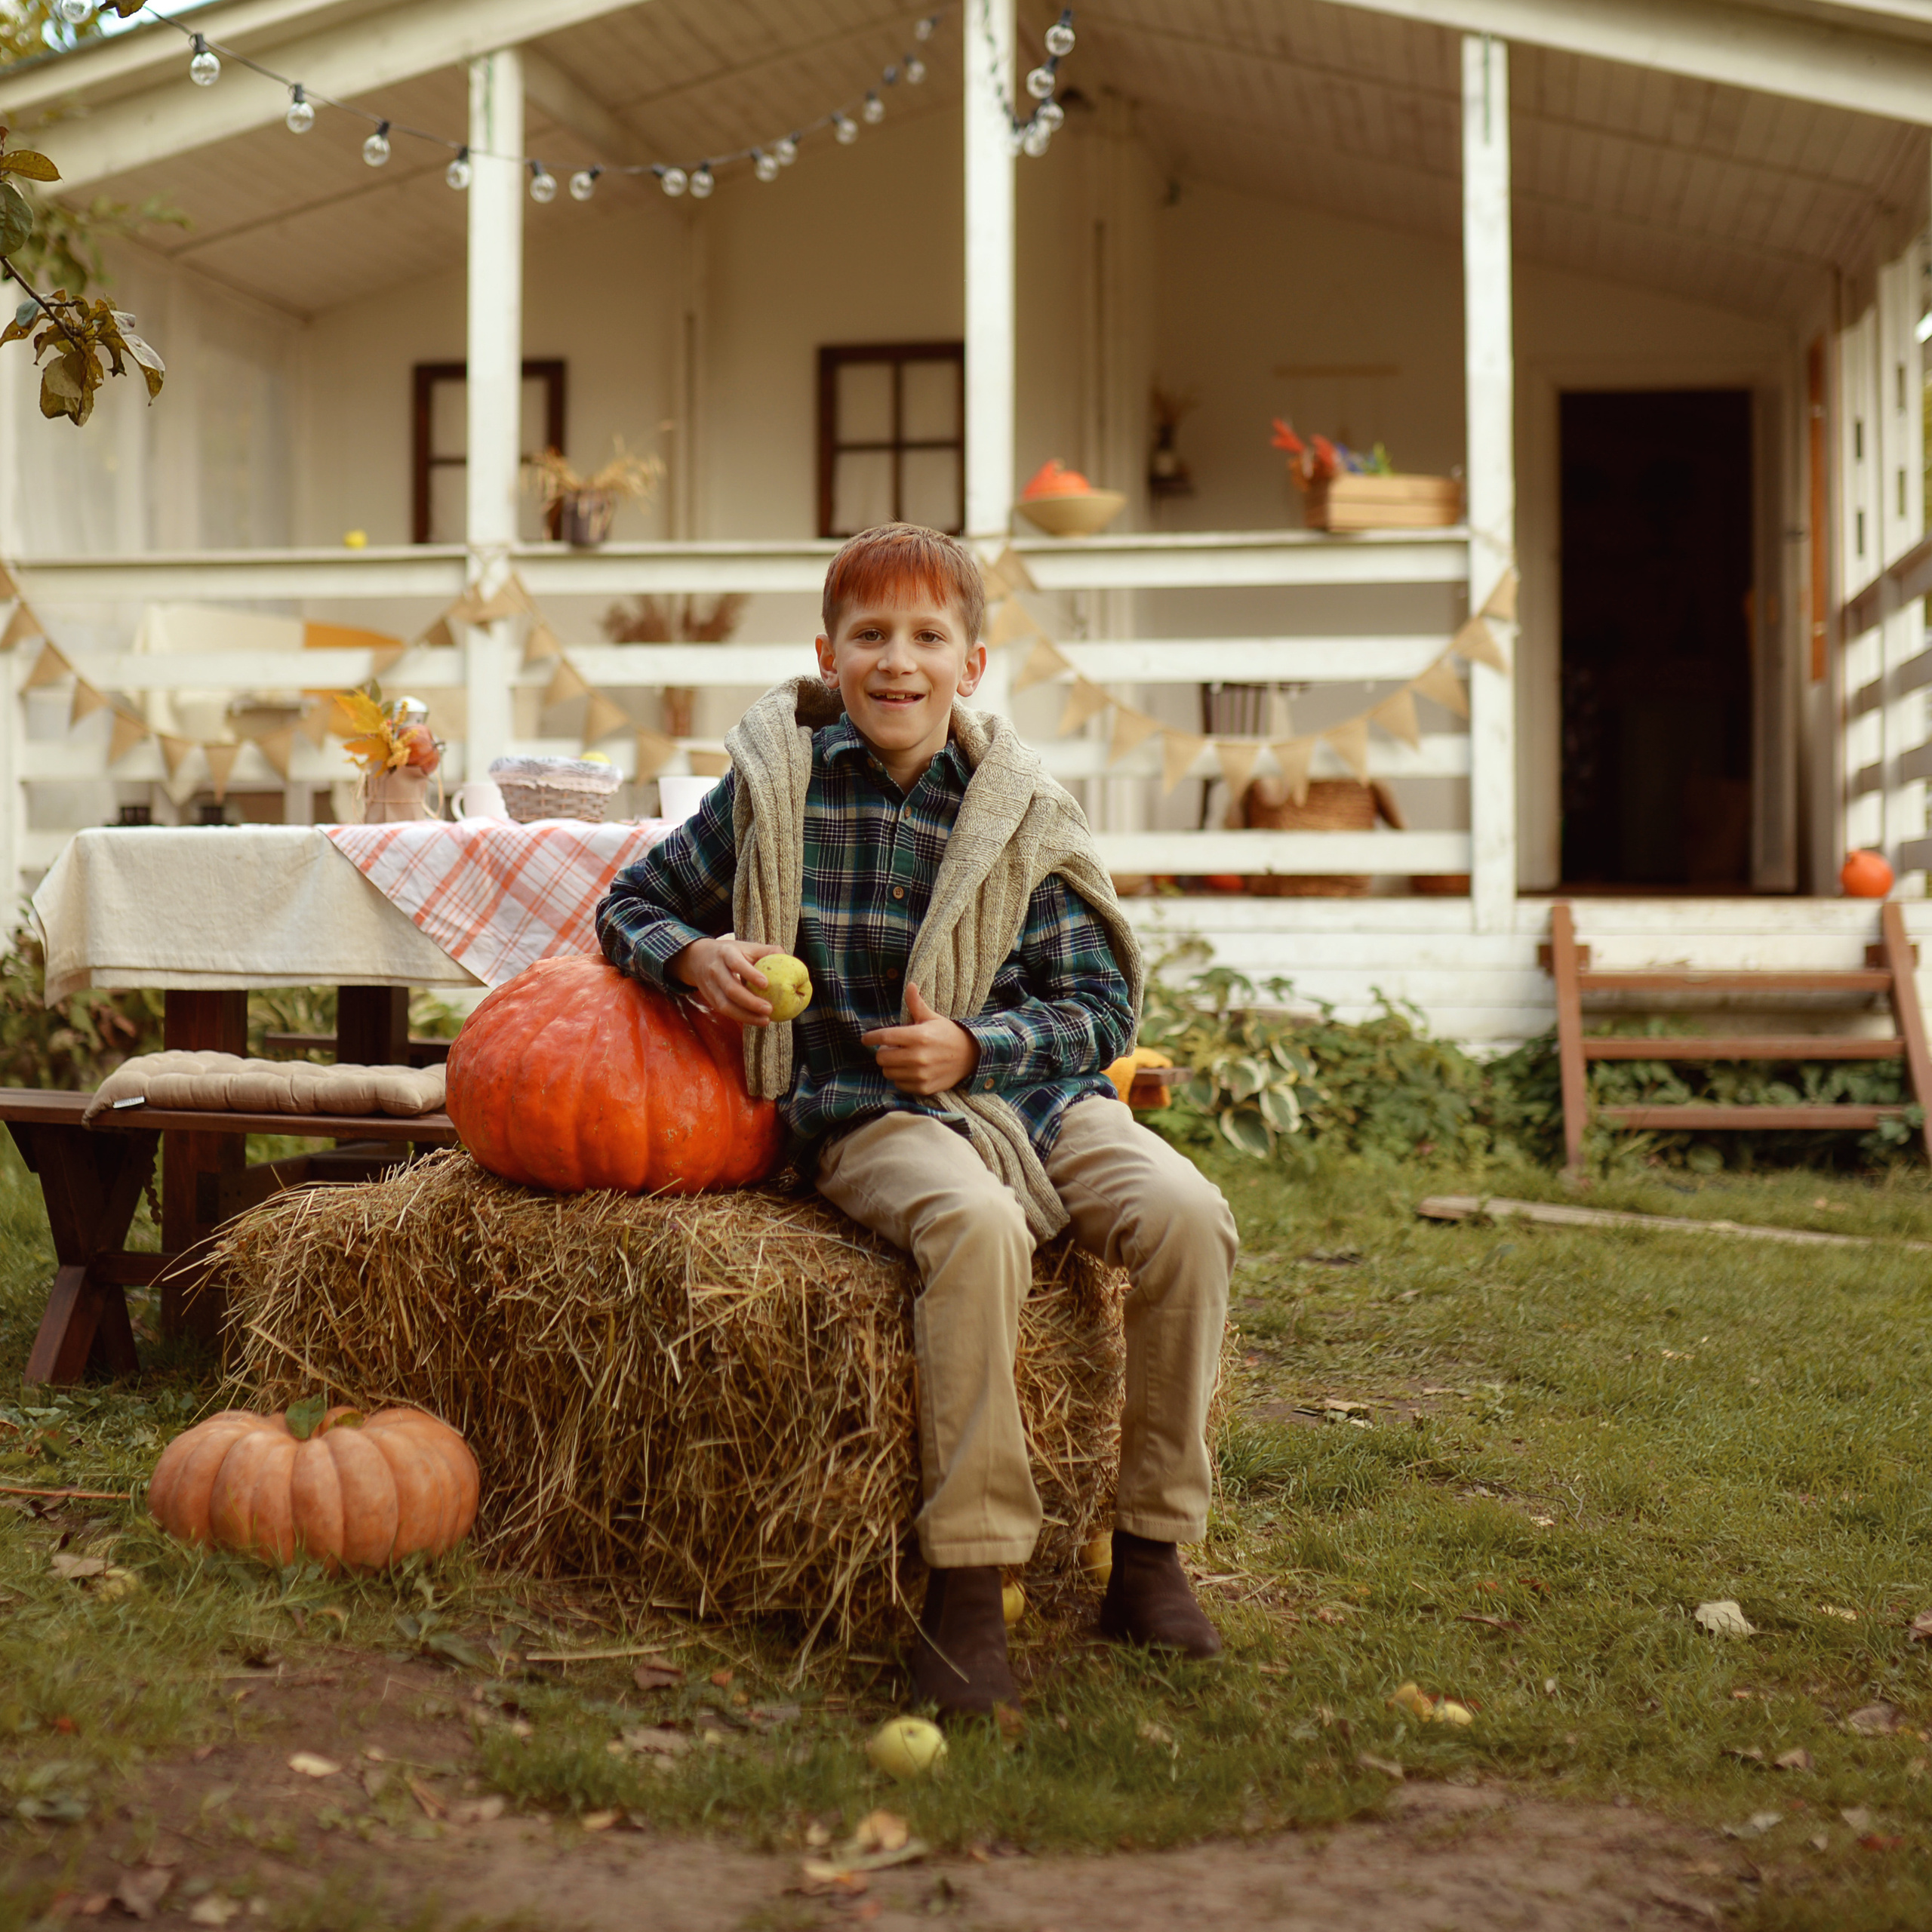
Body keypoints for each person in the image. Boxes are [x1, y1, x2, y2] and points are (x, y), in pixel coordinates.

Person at [595, 522, 1237, 1720]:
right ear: (828, 655)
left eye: (928, 637)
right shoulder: (776, 790)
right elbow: (631, 901)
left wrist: (978, 1047)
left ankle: (1150, 1553)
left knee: (1188, 1214)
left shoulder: (1020, 810)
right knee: (975, 1225)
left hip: (1034, 1096)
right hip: (870, 1109)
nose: (898, 661)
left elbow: (1102, 1010)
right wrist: (692, 955)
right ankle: (970, 1582)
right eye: (871, 635)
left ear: (971, 665)